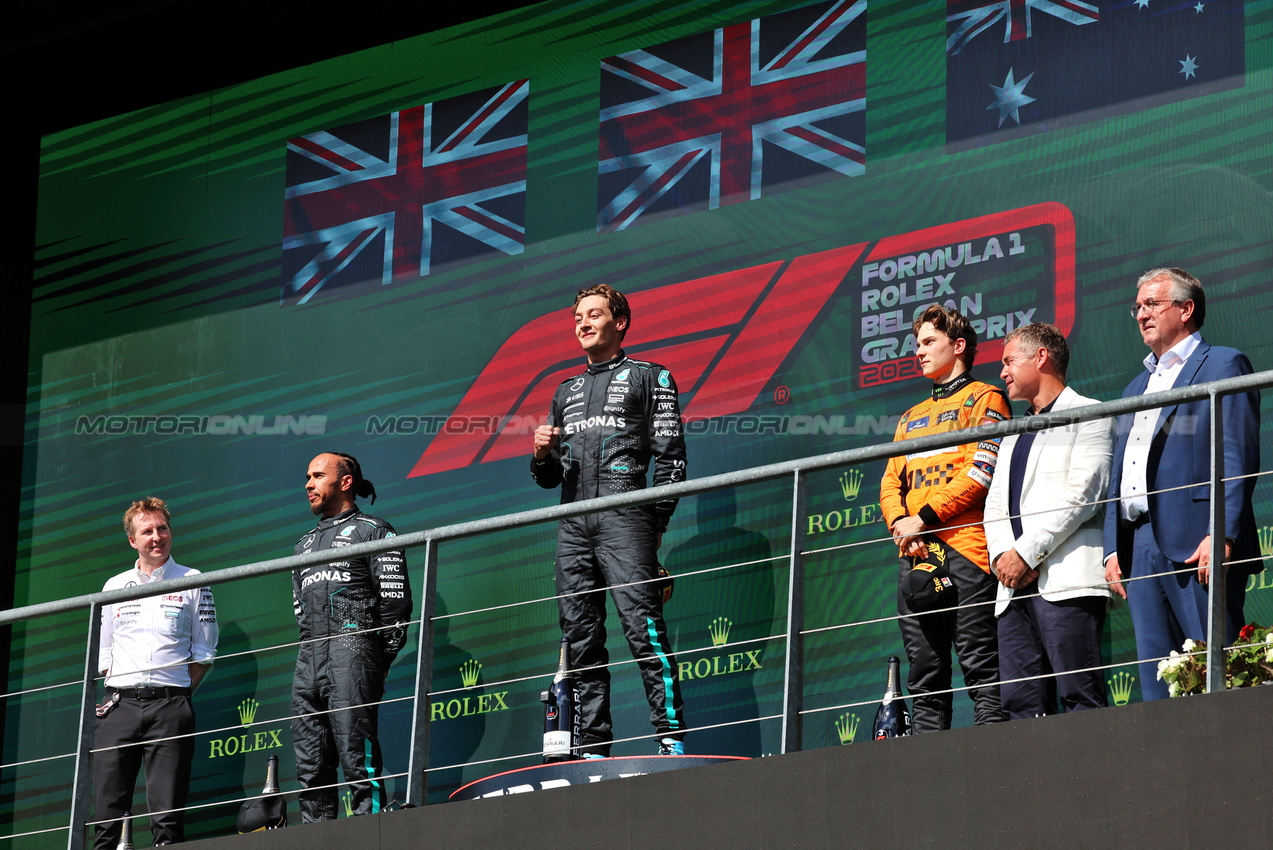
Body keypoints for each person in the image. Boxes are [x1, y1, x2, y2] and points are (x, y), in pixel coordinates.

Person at [530, 283, 688, 756]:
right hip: (573, 524)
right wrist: (541, 454)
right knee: (580, 639)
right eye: (577, 316)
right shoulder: (565, 390)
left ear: (619, 322)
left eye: (593, 314)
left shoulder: (651, 376)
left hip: (627, 517)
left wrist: (653, 524)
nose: (582, 323)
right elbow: (548, 477)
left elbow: (672, 461)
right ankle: (594, 747)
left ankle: (671, 737)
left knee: (644, 631)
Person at [1103, 268, 1261, 701]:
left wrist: (1222, 530)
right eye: (1137, 307)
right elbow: (1122, 470)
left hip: (1197, 541)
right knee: (1158, 683)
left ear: (1186, 309)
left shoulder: (1223, 363)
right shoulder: (1136, 385)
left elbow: (1236, 455)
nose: (1141, 315)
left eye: (1152, 304)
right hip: (1139, 548)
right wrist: (1113, 547)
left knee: (1217, 673)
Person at [879, 304, 1009, 732]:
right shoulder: (908, 417)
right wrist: (903, 527)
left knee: (980, 666)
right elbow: (888, 484)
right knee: (925, 676)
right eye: (917, 344)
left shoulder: (986, 398)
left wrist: (924, 518)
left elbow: (980, 474)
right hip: (915, 554)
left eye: (928, 342)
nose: (919, 351)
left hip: (967, 551)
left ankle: (994, 765)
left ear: (958, 346)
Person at [983, 324, 1113, 718]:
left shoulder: (1090, 413)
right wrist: (1003, 559)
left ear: (1041, 357)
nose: (1002, 372)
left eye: (1008, 361)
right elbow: (993, 505)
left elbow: (1084, 493)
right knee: (1020, 709)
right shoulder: (1011, 433)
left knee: (1080, 696)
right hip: (1011, 590)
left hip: (1066, 582)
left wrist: (1025, 553)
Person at [291, 452, 412, 820]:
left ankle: (370, 836)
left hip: (353, 651)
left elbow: (395, 606)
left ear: (345, 483)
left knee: (357, 759)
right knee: (310, 770)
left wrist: (375, 659)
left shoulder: (374, 530)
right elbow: (299, 611)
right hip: (307, 659)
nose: (308, 484)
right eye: (307, 477)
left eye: (317, 476)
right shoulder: (302, 545)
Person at [93, 498, 218, 849]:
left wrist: (174, 692)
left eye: (162, 528)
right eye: (147, 531)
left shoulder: (194, 580)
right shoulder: (113, 585)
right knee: (107, 817)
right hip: (118, 707)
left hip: (170, 707)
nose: (157, 536)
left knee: (167, 820)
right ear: (133, 540)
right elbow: (105, 656)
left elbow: (205, 654)